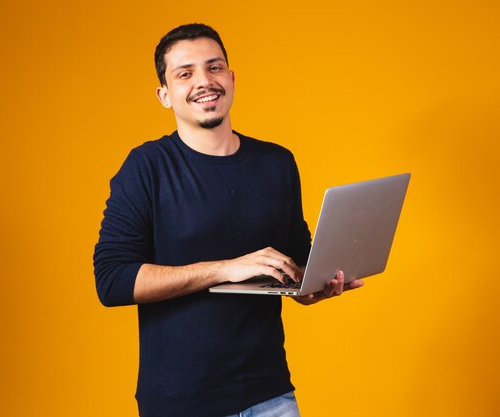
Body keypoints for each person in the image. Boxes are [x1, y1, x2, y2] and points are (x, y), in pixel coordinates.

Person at [93, 23, 363, 417]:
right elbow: (112, 280)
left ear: (232, 79)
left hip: (271, 394)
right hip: (181, 402)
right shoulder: (146, 167)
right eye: (185, 73)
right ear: (164, 95)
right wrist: (225, 269)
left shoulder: (277, 163)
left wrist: (314, 285)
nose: (204, 81)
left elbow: (296, 262)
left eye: (214, 67)